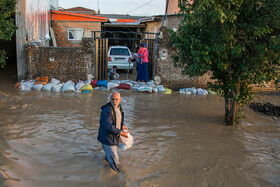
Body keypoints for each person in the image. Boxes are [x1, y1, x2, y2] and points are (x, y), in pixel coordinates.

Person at [97, 91, 128, 172]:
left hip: (113, 136)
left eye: (116, 99)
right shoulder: (106, 110)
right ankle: (116, 175)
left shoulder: (119, 108)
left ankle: (105, 167)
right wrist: (121, 133)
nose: (115, 102)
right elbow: (108, 126)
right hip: (107, 138)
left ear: (120, 99)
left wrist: (122, 126)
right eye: (113, 99)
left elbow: (118, 119)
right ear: (110, 99)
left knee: (109, 157)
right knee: (115, 160)